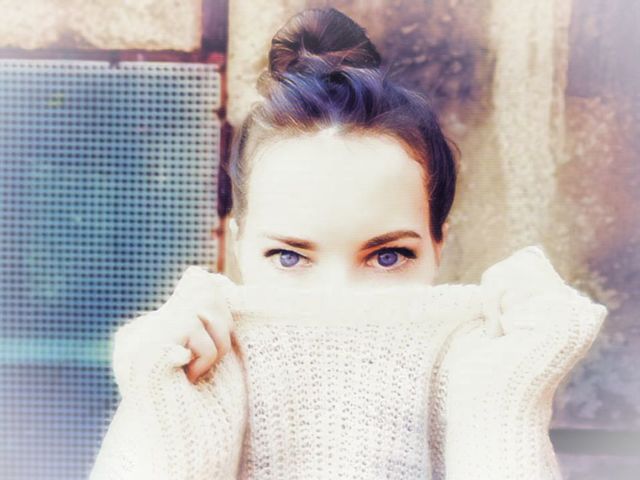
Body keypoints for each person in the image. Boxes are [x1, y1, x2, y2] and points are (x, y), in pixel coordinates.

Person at [89, 7, 608, 480]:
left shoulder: (476, 381)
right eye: (289, 257)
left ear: (437, 247)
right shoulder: (196, 374)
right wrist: (166, 407)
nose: (338, 298)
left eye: (387, 256)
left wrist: (505, 404)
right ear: (239, 248)